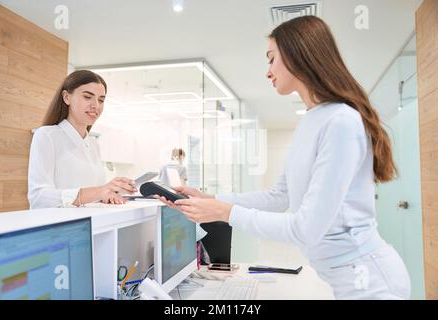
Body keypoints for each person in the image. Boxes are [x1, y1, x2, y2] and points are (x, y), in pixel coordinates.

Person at [157, 16, 411, 300]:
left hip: (370, 282)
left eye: (271, 59)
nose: (268, 71)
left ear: (296, 55)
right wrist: (211, 199)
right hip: (341, 278)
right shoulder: (311, 121)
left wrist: (224, 213)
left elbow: (306, 229)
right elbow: (279, 196)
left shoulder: (341, 121)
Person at [28, 70, 137, 209]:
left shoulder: (93, 143)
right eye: (87, 97)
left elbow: (94, 194)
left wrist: (109, 194)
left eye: (101, 100)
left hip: (91, 224)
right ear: (66, 97)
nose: (96, 105)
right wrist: (99, 191)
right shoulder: (46, 135)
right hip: (58, 227)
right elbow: (39, 197)